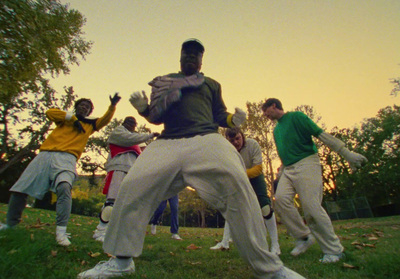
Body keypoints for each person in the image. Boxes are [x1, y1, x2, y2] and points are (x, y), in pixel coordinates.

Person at [77, 39, 305, 279]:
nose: (191, 57)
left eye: (197, 54)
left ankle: (270, 268)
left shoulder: (211, 84)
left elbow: (219, 114)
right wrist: (144, 108)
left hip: (207, 139)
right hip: (168, 141)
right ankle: (121, 261)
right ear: (180, 56)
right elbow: (156, 116)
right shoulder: (165, 81)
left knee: (237, 182)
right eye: (187, 52)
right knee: (132, 186)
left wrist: (232, 120)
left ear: (201, 60)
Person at [0, 94, 121, 246]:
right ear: (76, 107)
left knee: (64, 187)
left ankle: (61, 233)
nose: (84, 107)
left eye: (87, 107)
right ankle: (10, 225)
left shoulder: (89, 125)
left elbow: (105, 120)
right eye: (82, 105)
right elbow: (50, 112)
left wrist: (112, 106)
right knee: (20, 189)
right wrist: (72, 118)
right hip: (45, 155)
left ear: (89, 112)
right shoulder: (64, 118)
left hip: (67, 158)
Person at [261, 98, 367, 263]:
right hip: (288, 169)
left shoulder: (296, 117)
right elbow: (285, 152)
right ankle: (303, 237)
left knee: (311, 207)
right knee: (281, 200)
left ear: (274, 106)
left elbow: (321, 135)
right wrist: (281, 171)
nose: (265, 115)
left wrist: (346, 153)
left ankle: (334, 251)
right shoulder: (276, 131)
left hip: (307, 163)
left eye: (265, 110)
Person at [210, 127, 281, 256]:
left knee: (265, 207)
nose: (236, 142)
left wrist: (241, 174)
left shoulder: (253, 144)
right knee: (231, 206)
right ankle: (225, 242)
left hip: (254, 177)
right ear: (227, 141)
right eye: (232, 141)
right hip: (238, 179)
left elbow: (258, 168)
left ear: (242, 135)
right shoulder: (226, 151)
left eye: (238, 138)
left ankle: (275, 244)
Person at [93, 116, 159, 242]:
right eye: (129, 121)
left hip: (130, 172)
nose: (132, 124)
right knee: (111, 202)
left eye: (134, 123)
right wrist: (149, 136)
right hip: (118, 168)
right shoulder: (119, 132)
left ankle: (114, 231)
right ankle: (100, 231)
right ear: (124, 122)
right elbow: (130, 139)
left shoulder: (136, 144)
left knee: (123, 204)